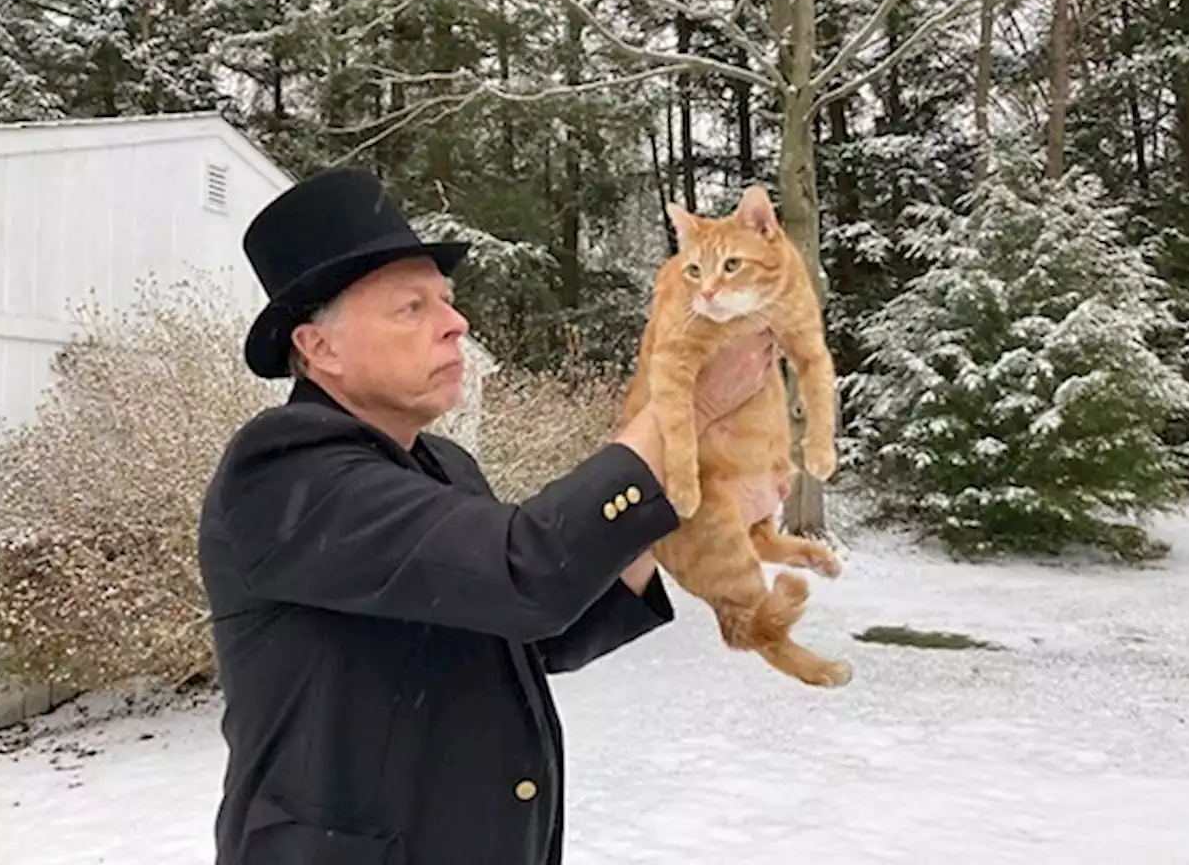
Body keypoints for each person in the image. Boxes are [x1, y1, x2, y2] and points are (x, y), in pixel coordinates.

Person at [197, 166, 783, 865]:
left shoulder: (443, 463)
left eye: (445, 300)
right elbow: (524, 571)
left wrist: (678, 514)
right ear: (318, 348)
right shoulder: (283, 467)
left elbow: (533, 633)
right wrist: (683, 407)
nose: (456, 324)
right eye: (412, 308)